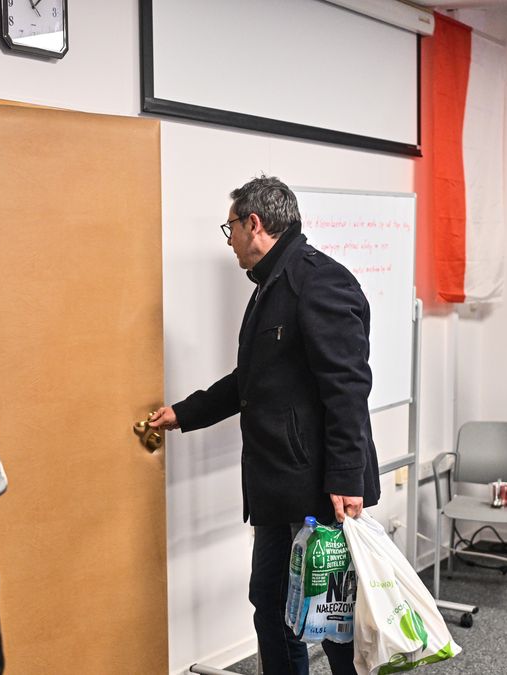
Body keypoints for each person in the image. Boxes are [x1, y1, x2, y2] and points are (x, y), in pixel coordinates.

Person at [148, 176, 378, 675]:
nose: (228, 239)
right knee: (272, 606)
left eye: (229, 227)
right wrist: (183, 414)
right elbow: (248, 382)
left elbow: (348, 388)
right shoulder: (270, 286)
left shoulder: (317, 281)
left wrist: (345, 476)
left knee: (329, 621)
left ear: (255, 224)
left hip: (319, 489)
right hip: (279, 487)